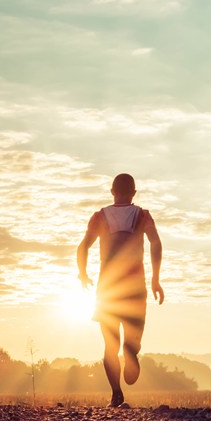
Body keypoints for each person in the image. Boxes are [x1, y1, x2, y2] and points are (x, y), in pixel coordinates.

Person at [77, 173, 164, 407]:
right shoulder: (142, 215)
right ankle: (131, 351)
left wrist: (82, 273)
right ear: (134, 193)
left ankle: (116, 393)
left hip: (107, 288)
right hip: (135, 285)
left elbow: (83, 246)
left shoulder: (99, 217)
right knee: (133, 337)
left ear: (112, 192)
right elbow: (156, 243)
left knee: (110, 345)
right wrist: (156, 279)